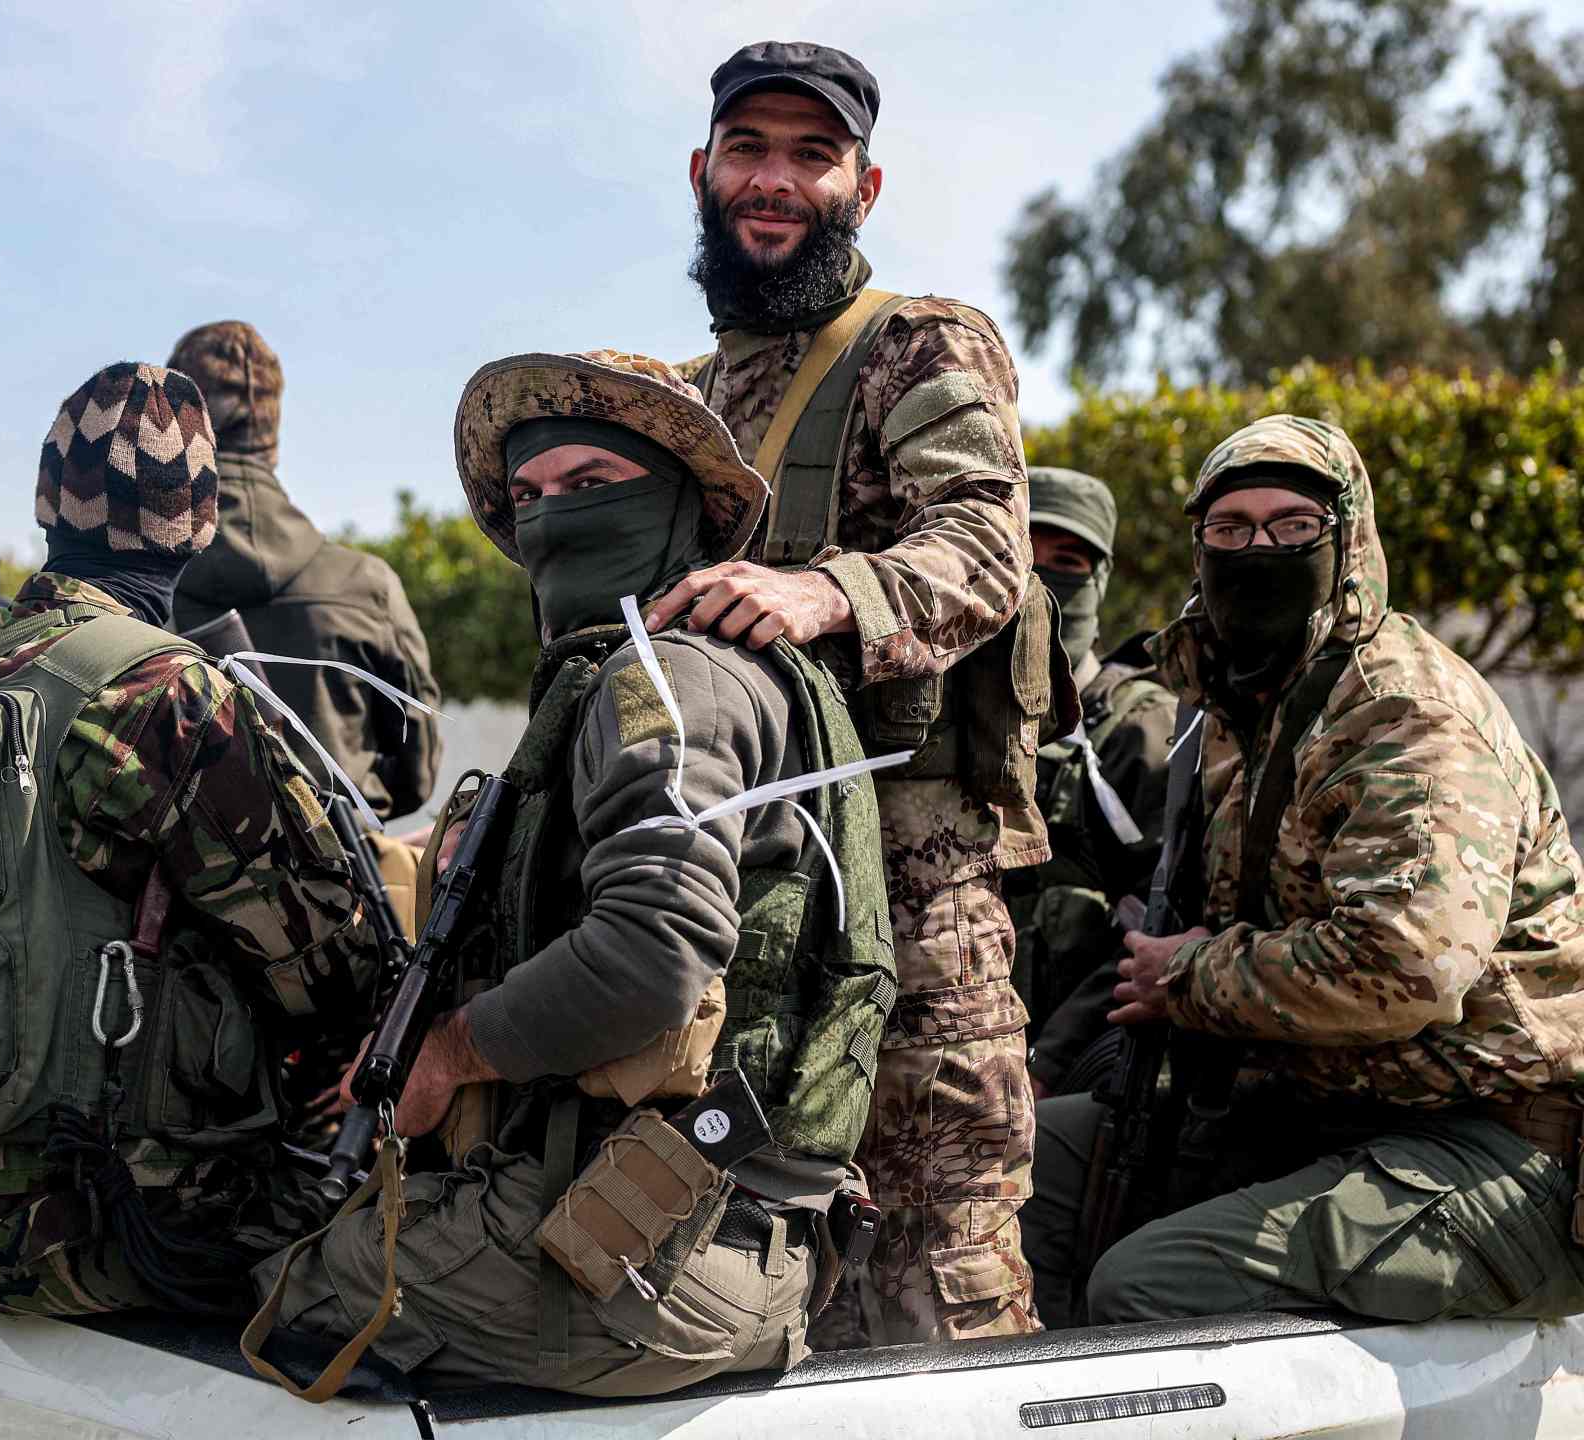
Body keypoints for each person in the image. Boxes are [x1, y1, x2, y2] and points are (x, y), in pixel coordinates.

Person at [245, 351, 896, 1397]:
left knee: (272, 1290)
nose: (552, 517)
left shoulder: (664, 681)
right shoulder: (693, 671)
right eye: (529, 495)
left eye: (591, 484)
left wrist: (447, 1056)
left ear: (678, 504)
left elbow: (652, 953)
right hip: (706, 1222)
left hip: (655, 1253)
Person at [648, 40, 1057, 1342]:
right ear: (703, 171)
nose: (775, 180)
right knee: (763, 1292)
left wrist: (829, 593)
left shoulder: (915, 348)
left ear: (863, 188)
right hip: (746, 910)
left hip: (916, 914)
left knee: (942, 1294)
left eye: (811, 156)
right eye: (749, 150)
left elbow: (985, 548)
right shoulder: (682, 402)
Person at [1020, 414, 1584, 1327]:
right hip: (1324, 1111)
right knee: (1016, 1165)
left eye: (1292, 527)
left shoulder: (1406, 715)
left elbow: (1406, 966)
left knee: (1146, 1283)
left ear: (1347, 541)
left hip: (1498, 1144)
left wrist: (1190, 977)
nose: (1258, 552)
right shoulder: (1249, 704)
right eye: (1230, 528)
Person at [0, 363, 364, 1318]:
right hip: (113, 1223)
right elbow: (327, 963)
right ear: (201, 525)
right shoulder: (167, 692)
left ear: (46, 503)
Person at [170, 320, 442, 822]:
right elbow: (417, 771)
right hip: (345, 862)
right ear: (272, 430)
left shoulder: (133, 596)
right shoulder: (367, 584)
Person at [1007, 468, 1176, 1097]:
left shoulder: (1140, 729)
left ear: (1099, 580)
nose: (1044, 578)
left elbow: (1160, 923)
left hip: (1071, 1073)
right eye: (1026, 555)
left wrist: (1046, 1065)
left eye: (1069, 562)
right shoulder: (943, 721)